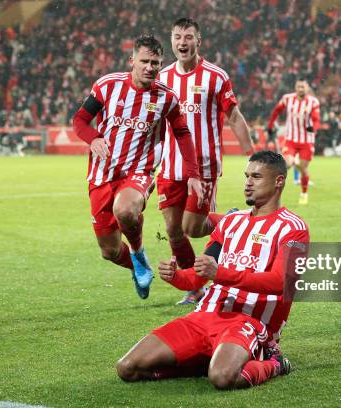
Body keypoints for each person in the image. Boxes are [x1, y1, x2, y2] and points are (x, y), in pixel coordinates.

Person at [115, 151, 309, 389]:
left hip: (248, 321)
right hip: (203, 316)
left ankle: (275, 363)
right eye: (246, 176)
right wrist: (175, 276)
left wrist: (220, 274)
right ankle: (205, 361)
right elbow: (197, 278)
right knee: (128, 368)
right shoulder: (230, 222)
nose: (248, 183)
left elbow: (280, 282)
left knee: (223, 378)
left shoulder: (294, 228)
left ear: (279, 181)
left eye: (256, 177)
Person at [72, 35, 202, 299]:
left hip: (138, 173)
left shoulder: (167, 98)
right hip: (102, 174)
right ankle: (138, 264)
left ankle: (138, 248)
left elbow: (183, 134)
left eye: (155, 63)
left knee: (125, 210)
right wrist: (93, 138)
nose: (150, 67)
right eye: (144, 61)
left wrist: (193, 174)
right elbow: (80, 121)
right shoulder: (107, 85)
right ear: (132, 60)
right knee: (108, 251)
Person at [157, 18, 254, 305]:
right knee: (174, 230)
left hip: (204, 166)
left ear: (199, 41)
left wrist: (252, 155)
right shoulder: (162, 78)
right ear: (171, 40)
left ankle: (231, 221)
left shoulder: (216, 76)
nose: (182, 42)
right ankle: (195, 287)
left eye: (188, 37)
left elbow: (234, 117)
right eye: (177, 37)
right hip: (170, 166)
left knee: (192, 228)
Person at [267, 79, 320, 205]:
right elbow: (276, 111)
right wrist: (270, 125)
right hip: (291, 139)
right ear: (295, 87)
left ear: (307, 88)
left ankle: (304, 193)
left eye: (303, 87)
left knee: (303, 168)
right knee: (287, 164)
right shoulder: (287, 98)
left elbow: (316, 119)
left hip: (307, 141)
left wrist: (314, 128)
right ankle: (275, 195)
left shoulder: (313, 102)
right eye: (298, 87)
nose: (300, 89)